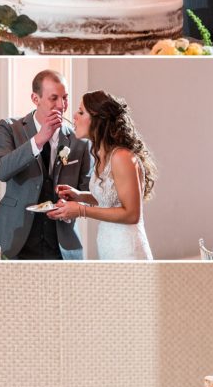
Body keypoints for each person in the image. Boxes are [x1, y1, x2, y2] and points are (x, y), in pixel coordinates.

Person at [0, 70, 91, 260]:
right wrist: (38, 140)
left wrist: (70, 207)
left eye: (65, 98)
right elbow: (1, 170)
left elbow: (87, 192)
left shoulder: (80, 141)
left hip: (61, 247)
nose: (62, 106)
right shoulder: (10, 128)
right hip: (14, 241)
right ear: (35, 98)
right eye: (54, 98)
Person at [48, 91, 155, 260]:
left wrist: (81, 210)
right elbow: (110, 199)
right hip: (109, 246)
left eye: (81, 112)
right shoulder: (101, 155)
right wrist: (79, 196)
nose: (74, 116)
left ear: (98, 120)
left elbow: (132, 214)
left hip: (127, 250)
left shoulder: (121, 157)